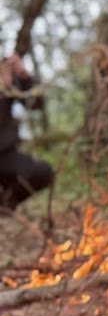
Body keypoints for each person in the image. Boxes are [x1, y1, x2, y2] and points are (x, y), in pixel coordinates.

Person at [0, 52, 53, 210]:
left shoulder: (8, 83)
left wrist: (24, 76)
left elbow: (36, 104)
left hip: (5, 156)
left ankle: (5, 204)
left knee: (42, 172)